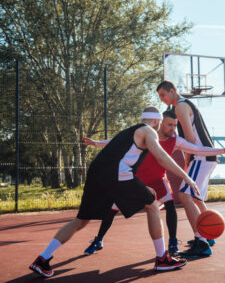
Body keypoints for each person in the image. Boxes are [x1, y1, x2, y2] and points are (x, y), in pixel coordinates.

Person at [29, 107, 200, 278]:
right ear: (156, 121)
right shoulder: (149, 131)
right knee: (153, 205)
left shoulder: (128, 132)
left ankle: (42, 259)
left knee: (81, 220)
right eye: (161, 122)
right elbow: (162, 157)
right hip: (117, 175)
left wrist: (139, 186)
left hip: (96, 173)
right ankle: (162, 259)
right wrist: (187, 177)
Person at [82, 110, 225, 257]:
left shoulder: (175, 141)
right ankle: (99, 240)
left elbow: (197, 149)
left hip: (158, 180)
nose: (173, 128)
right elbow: (118, 141)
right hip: (137, 179)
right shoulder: (146, 134)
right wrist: (97, 144)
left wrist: (222, 151)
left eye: (175, 125)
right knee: (113, 208)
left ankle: (173, 242)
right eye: (170, 124)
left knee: (170, 206)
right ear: (161, 123)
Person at [157, 80, 221, 258]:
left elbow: (190, 140)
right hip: (207, 156)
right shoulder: (188, 104)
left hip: (200, 157)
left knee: (184, 195)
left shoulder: (180, 107)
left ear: (172, 91)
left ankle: (201, 242)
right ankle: (208, 235)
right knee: (196, 196)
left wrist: (187, 163)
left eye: (163, 95)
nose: (162, 99)